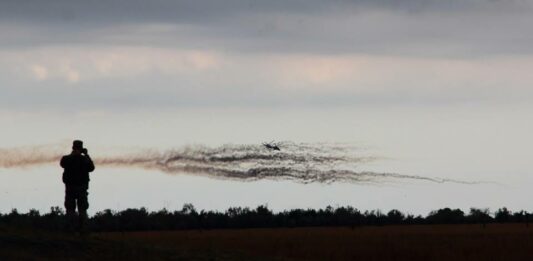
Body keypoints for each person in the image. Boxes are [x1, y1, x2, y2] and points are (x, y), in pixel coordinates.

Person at [60, 140, 95, 232]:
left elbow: (62, 163)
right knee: (82, 210)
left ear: (73, 148)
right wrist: (86, 155)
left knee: (71, 209)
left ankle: (71, 231)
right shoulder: (84, 159)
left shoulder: (67, 158)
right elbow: (91, 167)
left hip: (71, 188)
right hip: (81, 188)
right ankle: (83, 231)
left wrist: (73, 155)